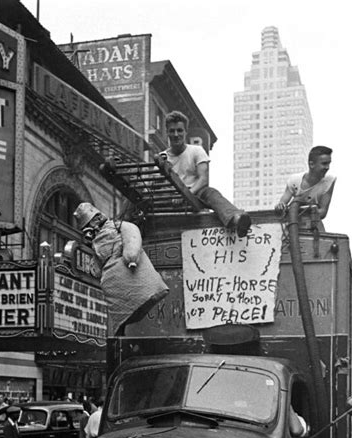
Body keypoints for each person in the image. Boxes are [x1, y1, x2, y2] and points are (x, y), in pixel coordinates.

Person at [74, 203, 169, 336]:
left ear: (98, 218)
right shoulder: (96, 242)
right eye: (86, 228)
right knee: (121, 316)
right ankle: (122, 327)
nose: (90, 229)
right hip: (114, 284)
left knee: (145, 292)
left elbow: (132, 238)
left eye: (90, 225)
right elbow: (96, 270)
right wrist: (91, 245)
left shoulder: (118, 226)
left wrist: (131, 257)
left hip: (130, 269)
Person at [160, 110, 252, 238]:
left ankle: (237, 220)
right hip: (173, 197)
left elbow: (203, 179)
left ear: (186, 132)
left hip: (195, 193)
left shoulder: (196, 150)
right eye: (172, 131)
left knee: (211, 193)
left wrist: (186, 194)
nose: (176, 134)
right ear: (167, 132)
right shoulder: (162, 157)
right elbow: (161, 183)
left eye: (180, 130)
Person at [275, 146, 336, 220]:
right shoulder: (294, 180)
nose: (327, 167)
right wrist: (280, 206)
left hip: (313, 225)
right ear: (311, 164)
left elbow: (323, 212)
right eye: (324, 164)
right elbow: (282, 204)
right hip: (292, 222)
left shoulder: (329, 181)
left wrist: (298, 210)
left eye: (329, 163)